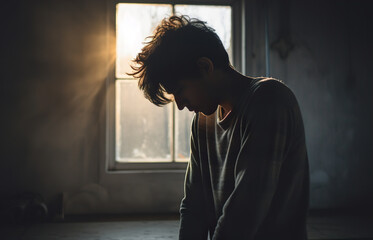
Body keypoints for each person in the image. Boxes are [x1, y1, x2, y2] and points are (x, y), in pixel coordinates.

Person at [129, 15, 309, 240]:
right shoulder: (204, 120)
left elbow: (245, 212)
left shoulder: (269, 101)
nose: (181, 105)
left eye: (180, 90)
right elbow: (194, 205)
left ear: (205, 67)